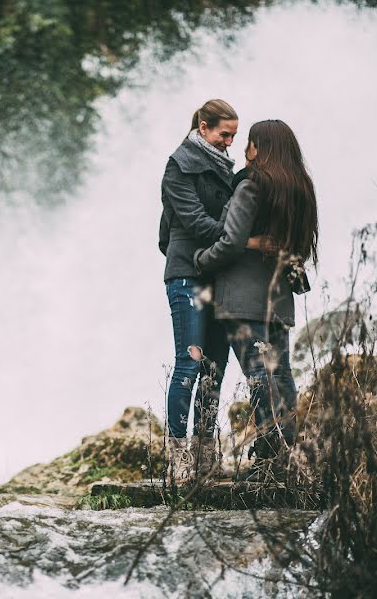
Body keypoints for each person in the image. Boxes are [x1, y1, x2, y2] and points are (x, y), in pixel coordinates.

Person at [193, 119, 318, 481]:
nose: (245, 150)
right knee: (281, 374)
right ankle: (288, 455)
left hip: (244, 297)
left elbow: (231, 241)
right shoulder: (298, 189)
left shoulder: (251, 185)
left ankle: (268, 458)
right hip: (277, 297)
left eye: (249, 143)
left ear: (260, 148)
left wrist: (200, 260)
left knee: (258, 376)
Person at [158, 99, 240, 480]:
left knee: (214, 367)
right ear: (204, 128)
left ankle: (206, 456)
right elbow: (194, 224)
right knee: (189, 365)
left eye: (234, 136)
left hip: (217, 276)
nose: (229, 143)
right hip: (188, 277)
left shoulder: (225, 168)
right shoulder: (179, 165)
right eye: (225, 134)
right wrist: (242, 241)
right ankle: (178, 459)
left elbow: (167, 233)